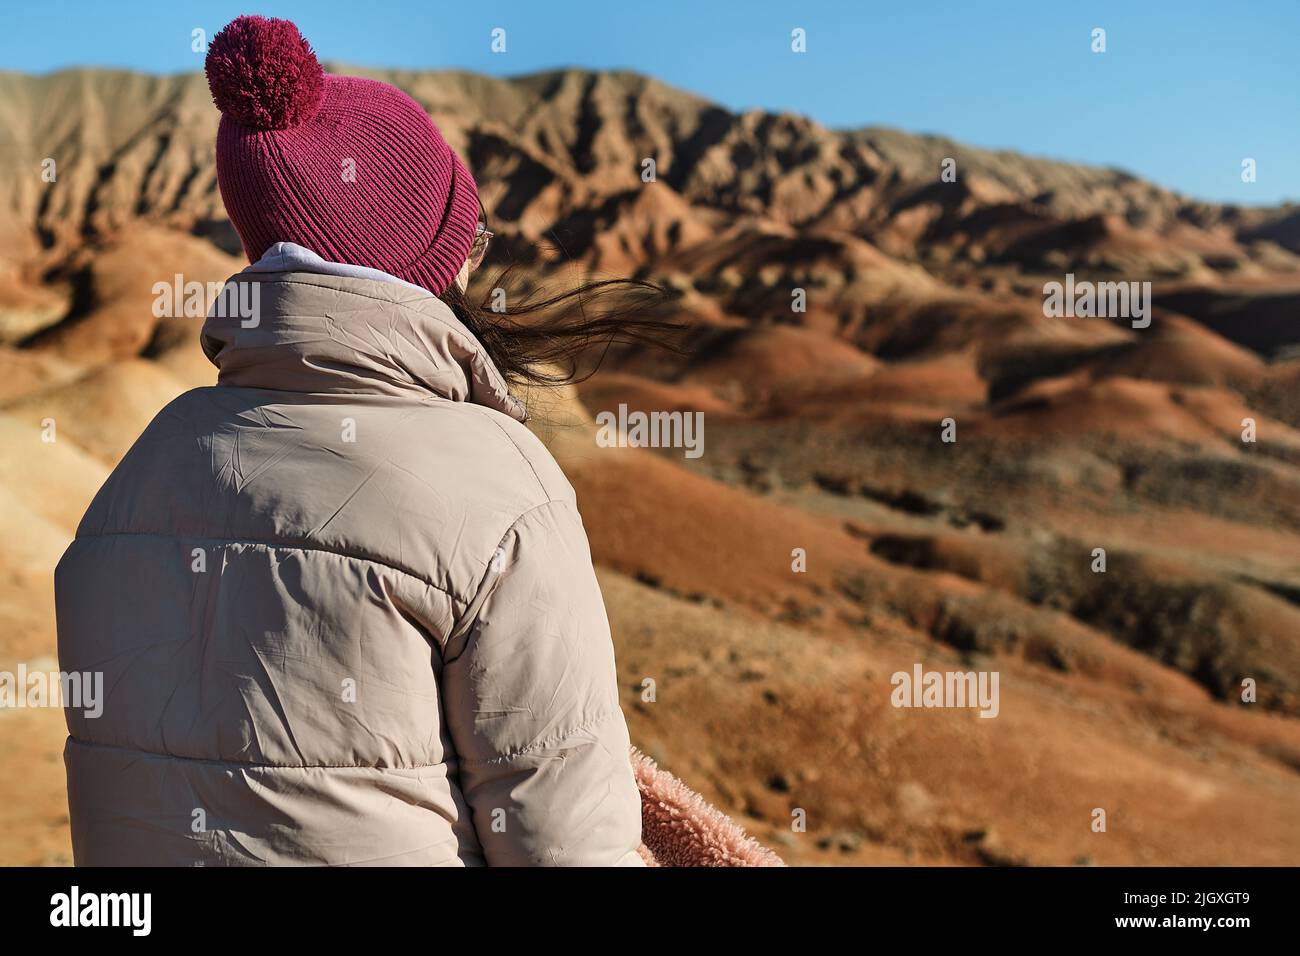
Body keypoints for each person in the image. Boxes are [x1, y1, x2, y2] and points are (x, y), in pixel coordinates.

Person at [55, 14, 671, 866]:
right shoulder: (501, 487)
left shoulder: (131, 481)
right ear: (429, 263)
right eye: (468, 242)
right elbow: (568, 843)